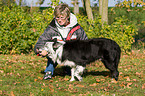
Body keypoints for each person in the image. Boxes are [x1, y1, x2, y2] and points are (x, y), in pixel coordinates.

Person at [34, 3, 88, 80]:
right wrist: (40, 51)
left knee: (71, 70)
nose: (59, 20)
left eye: (62, 17)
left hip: (72, 56)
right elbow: (40, 43)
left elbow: (85, 43)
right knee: (52, 51)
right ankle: (49, 72)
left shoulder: (77, 29)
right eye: (57, 17)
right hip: (57, 54)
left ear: (67, 17)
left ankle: (69, 70)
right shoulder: (51, 29)